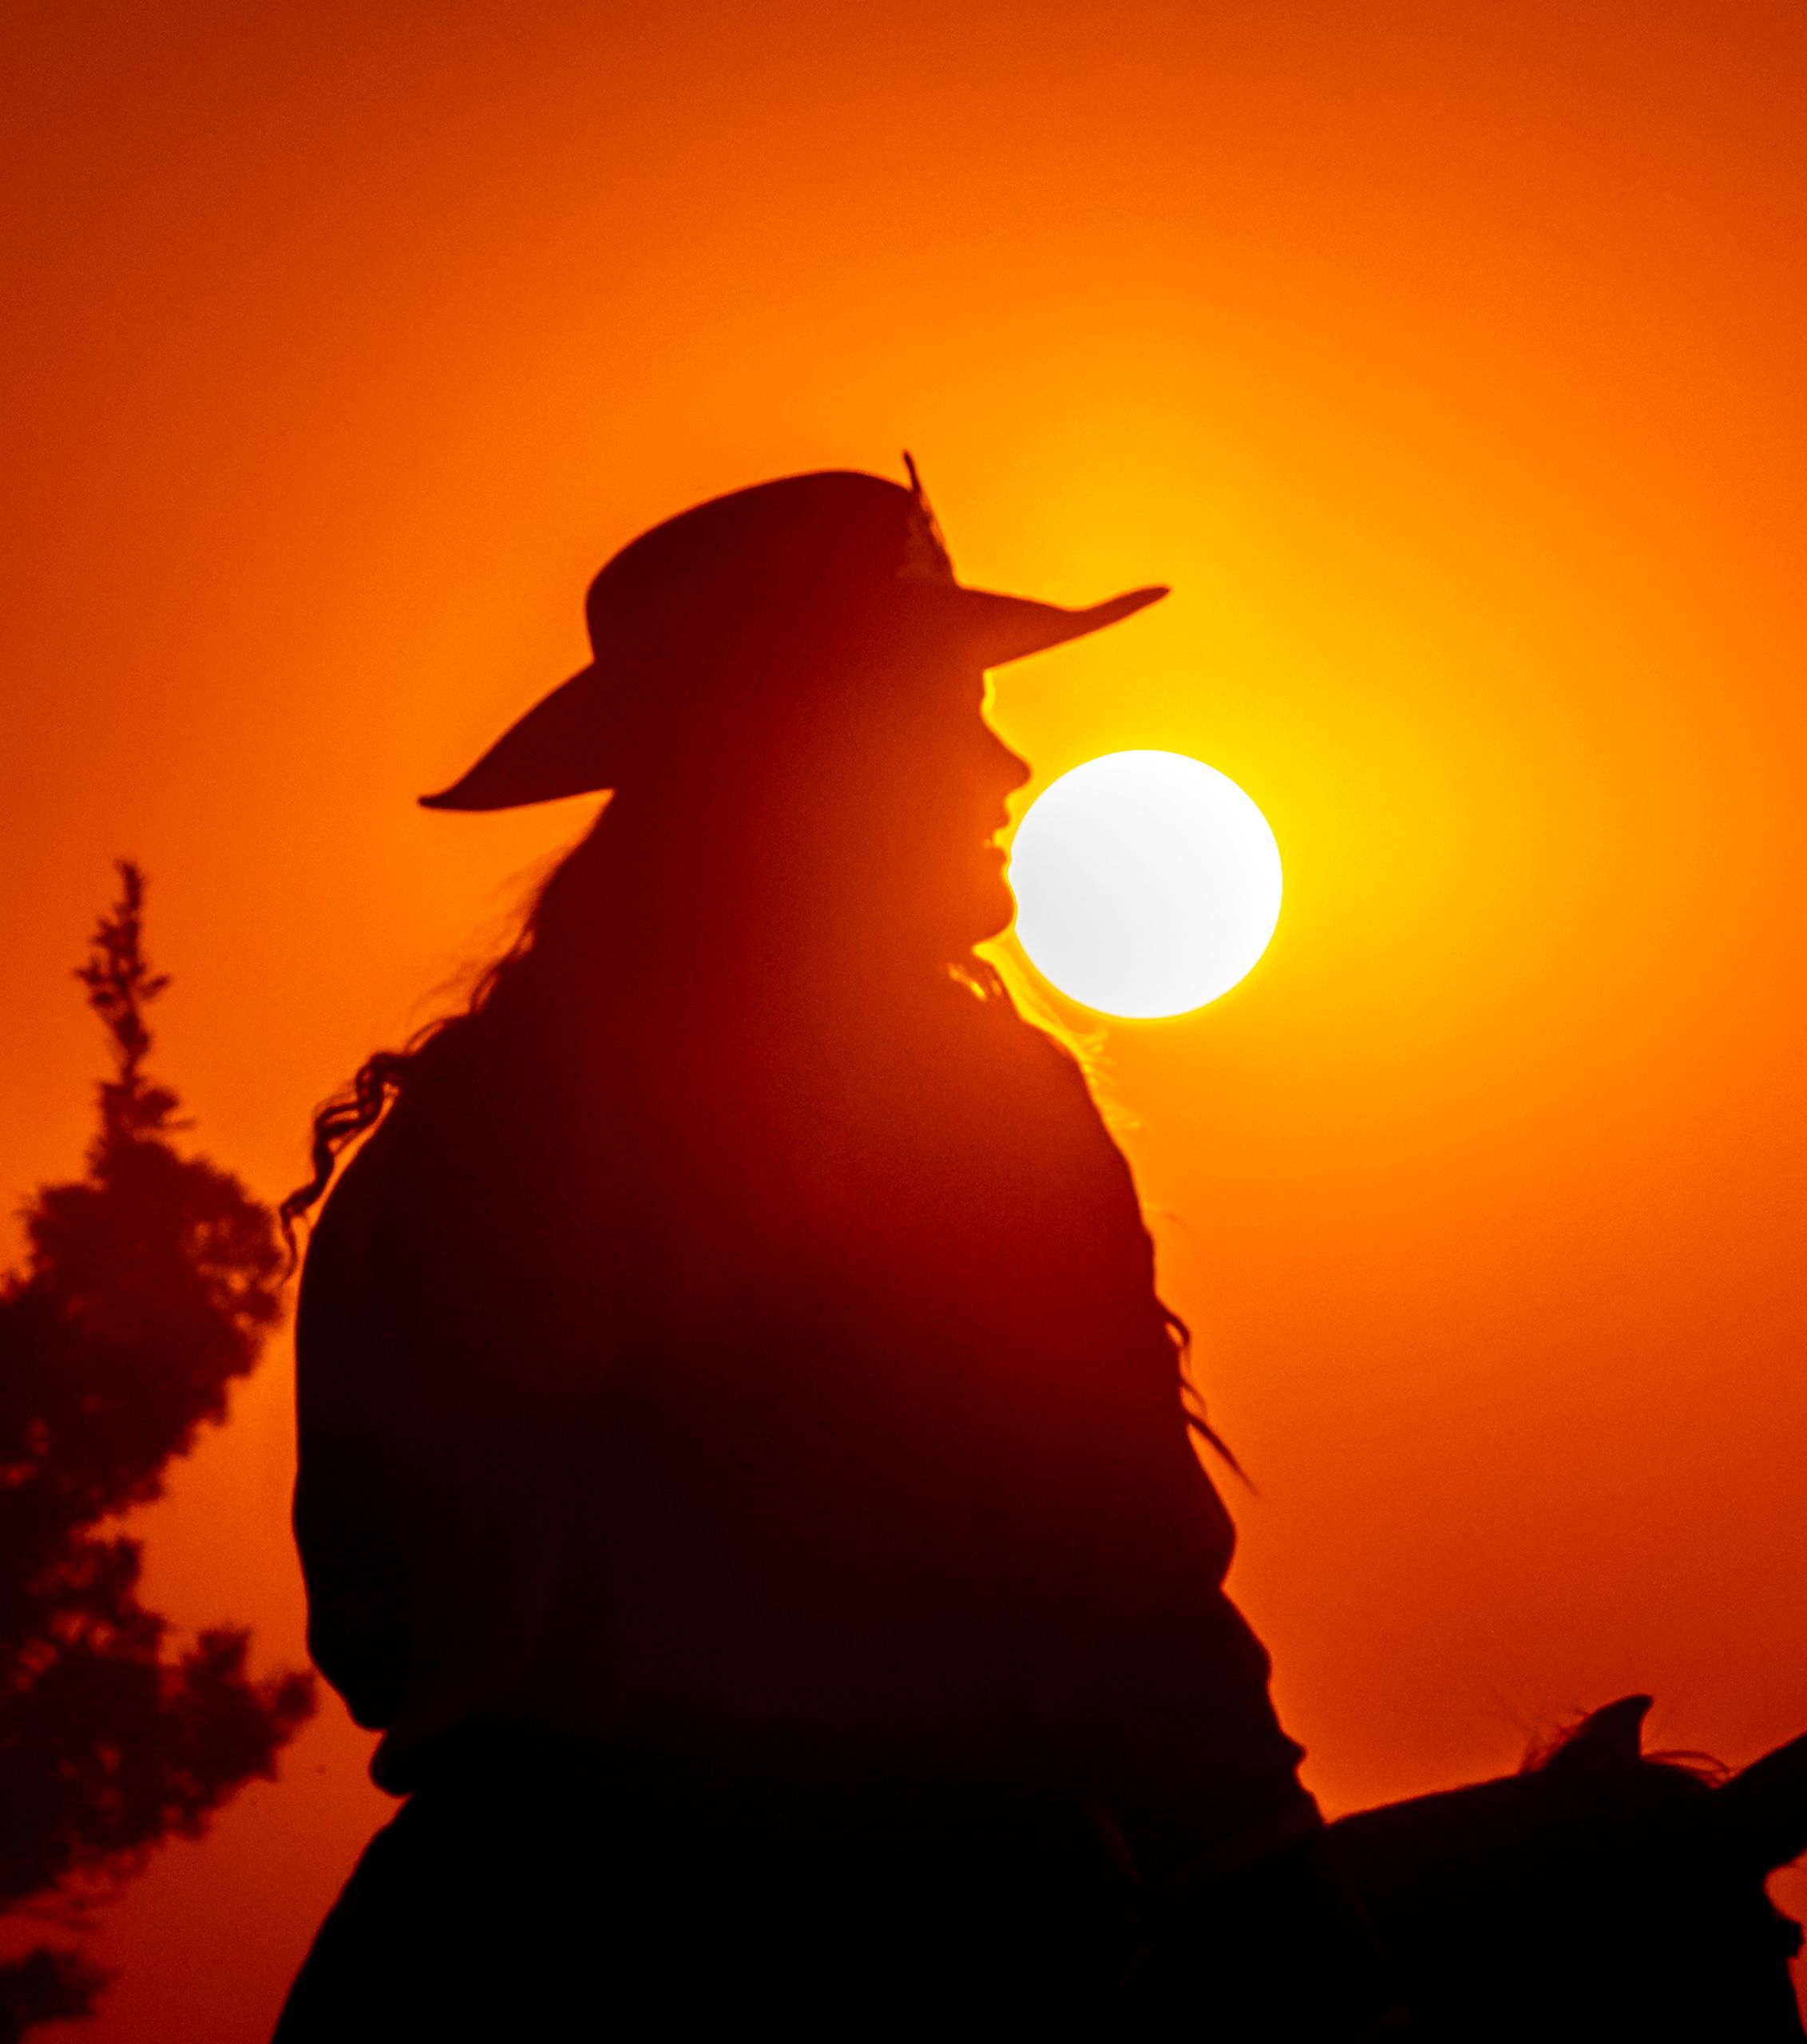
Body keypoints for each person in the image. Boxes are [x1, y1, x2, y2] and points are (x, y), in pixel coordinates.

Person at [274, 467, 1394, 2040]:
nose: (1008, 758)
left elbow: (371, 1633)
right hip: (908, 1952)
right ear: (813, 753)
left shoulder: (427, 1166)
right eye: (949, 703)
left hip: (457, 1958)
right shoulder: (963, 1109)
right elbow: (1129, 1597)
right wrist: (1298, 1928)